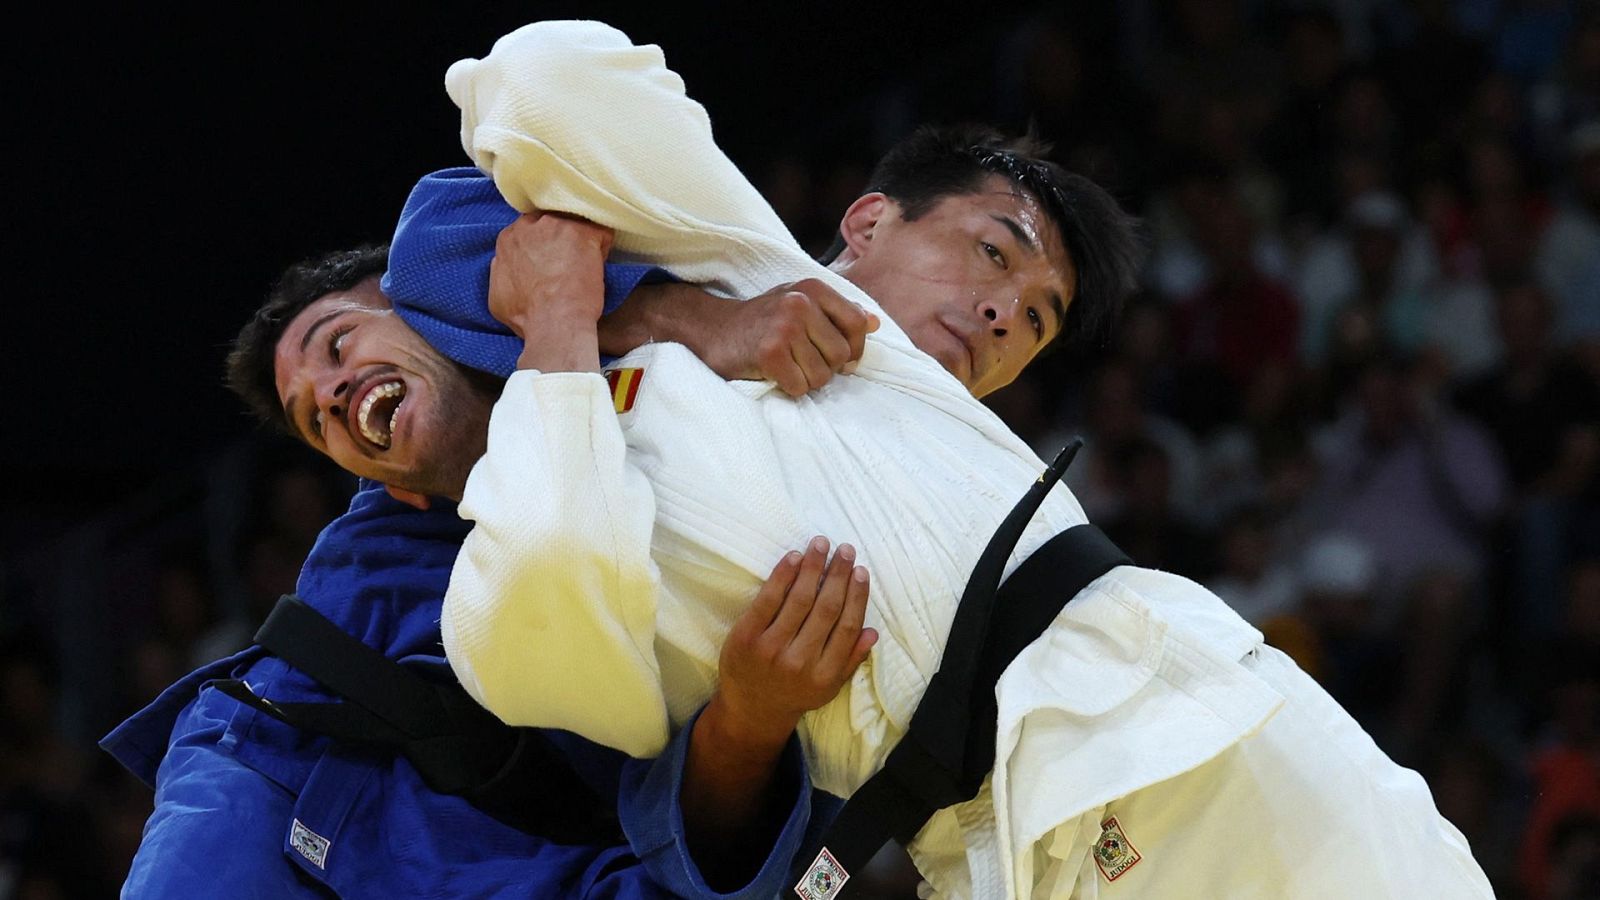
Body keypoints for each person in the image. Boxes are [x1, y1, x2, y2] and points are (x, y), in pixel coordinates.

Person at [261, 19, 1490, 897]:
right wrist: (618, 322)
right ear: (862, 223)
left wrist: (639, 319)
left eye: (1043, 316)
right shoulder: (751, 273)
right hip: (999, 846)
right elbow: (529, 87)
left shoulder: (864, 360)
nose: (1009, 311)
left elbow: (533, 81)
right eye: (994, 252)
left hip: (1185, 725)